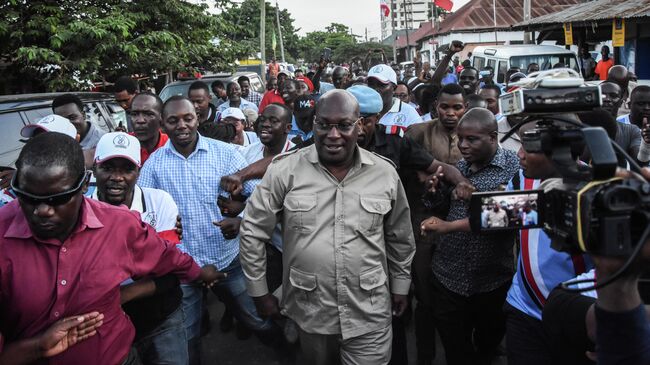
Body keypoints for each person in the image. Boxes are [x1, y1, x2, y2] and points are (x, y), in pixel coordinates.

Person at [0, 132, 222, 365]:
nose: (42, 211)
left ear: (83, 185)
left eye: (58, 199)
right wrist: (36, 348)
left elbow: (169, 259)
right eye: (27, 197)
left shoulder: (120, 224)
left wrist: (199, 273)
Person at [239, 89, 416, 365]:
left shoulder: (385, 173)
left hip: (369, 310)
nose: (333, 135)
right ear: (313, 125)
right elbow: (252, 231)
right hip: (310, 312)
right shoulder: (284, 170)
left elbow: (400, 236)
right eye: (324, 125)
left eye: (344, 125)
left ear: (359, 126)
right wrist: (259, 291)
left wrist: (401, 285)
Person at [137, 96, 277, 365]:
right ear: (163, 124)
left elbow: (258, 194)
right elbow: (143, 215)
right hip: (184, 269)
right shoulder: (154, 165)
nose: (182, 125)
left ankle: (286, 351)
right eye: (173, 120)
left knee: (257, 319)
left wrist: (242, 219)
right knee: (187, 341)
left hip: (228, 260)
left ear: (198, 118)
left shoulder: (224, 154)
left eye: (187, 118)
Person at [420, 108, 520, 365]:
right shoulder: (458, 168)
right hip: (448, 277)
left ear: (493, 137)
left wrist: (448, 227)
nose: (463, 145)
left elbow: (510, 215)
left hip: (492, 280)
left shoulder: (515, 170)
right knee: (456, 350)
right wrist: (433, 192)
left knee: (488, 345)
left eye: (471, 139)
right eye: (460, 138)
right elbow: (441, 209)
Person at [91, 132, 188, 365]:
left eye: (127, 169)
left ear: (138, 171)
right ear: (94, 169)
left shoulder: (159, 201)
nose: (117, 177)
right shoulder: (80, 210)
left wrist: (120, 295)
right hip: (104, 327)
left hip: (161, 317)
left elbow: (170, 270)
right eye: (108, 168)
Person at [503, 120, 593, 365]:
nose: (519, 154)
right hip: (523, 310)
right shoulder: (523, 179)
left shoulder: (595, 188)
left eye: (528, 147)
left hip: (579, 316)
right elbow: (497, 215)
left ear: (558, 152)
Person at [367, 64, 422, 131]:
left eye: (381, 85)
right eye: (371, 84)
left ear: (394, 88)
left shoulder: (409, 113)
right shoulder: (360, 111)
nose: (375, 89)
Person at [129, 92, 169, 164]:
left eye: (148, 114)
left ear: (161, 117)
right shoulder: (124, 146)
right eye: (134, 114)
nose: (140, 120)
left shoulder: (171, 145)